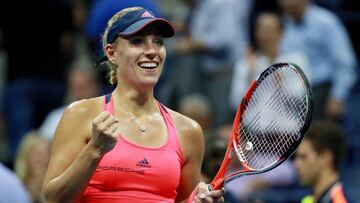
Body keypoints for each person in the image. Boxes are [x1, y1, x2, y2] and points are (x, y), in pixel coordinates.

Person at [43, 7, 224, 203]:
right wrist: (94, 151)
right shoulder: (81, 114)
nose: (152, 51)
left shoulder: (188, 131)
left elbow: (184, 200)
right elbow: (53, 198)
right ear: (112, 53)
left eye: (158, 42)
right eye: (137, 42)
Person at [278, 0, 357, 121]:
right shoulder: (284, 23)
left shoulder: (326, 21)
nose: (287, 4)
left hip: (321, 91)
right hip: (291, 97)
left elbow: (345, 63)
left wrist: (337, 96)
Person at [229, 11, 310, 112]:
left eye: (271, 30)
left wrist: (282, 84)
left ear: (282, 33)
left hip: (290, 126)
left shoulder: (297, 60)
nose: (266, 34)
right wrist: (250, 75)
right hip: (252, 127)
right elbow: (235, 103)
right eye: (262, 30)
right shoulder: (245, 64)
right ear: (256, 34)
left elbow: (303, 100)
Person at [39, 56, 101, 140]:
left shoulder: (107, 116)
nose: (78, 94)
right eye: (73, 88)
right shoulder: (55, 118)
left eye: (82, 88)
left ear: (95, 87)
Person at [294, 121, 352, 202]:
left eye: (304, 157)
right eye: (297, 157)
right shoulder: (308, 200)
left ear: (326, 158)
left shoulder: (339, 200)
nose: (296, 164)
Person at [14, 131, 50, 203]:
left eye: (47, 154)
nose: (44, 159)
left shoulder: (52, 185)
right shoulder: (15, 183)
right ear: (26, 156)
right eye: (38, 154)